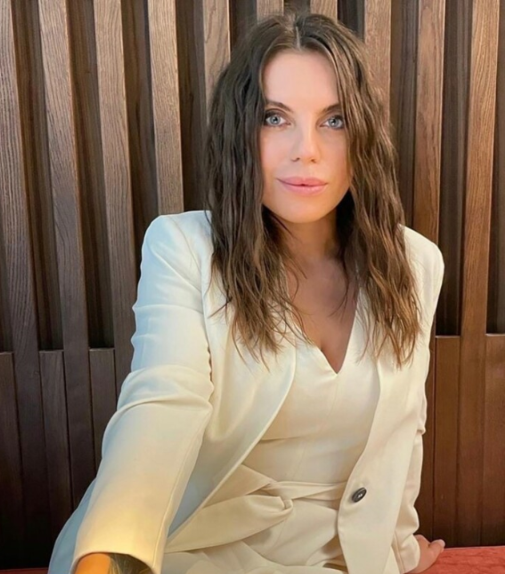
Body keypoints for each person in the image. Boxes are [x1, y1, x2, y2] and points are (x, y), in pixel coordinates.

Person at [48, 9, 446, 574]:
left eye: (334, 120)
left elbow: (405, 430)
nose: (306, 149)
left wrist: (399, 550)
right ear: (241, 130)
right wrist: (105, 561)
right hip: (197, 547)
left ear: (363, 134)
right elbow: (161, 404)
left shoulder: (416, 263)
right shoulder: (184, 248)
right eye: (274, 118)